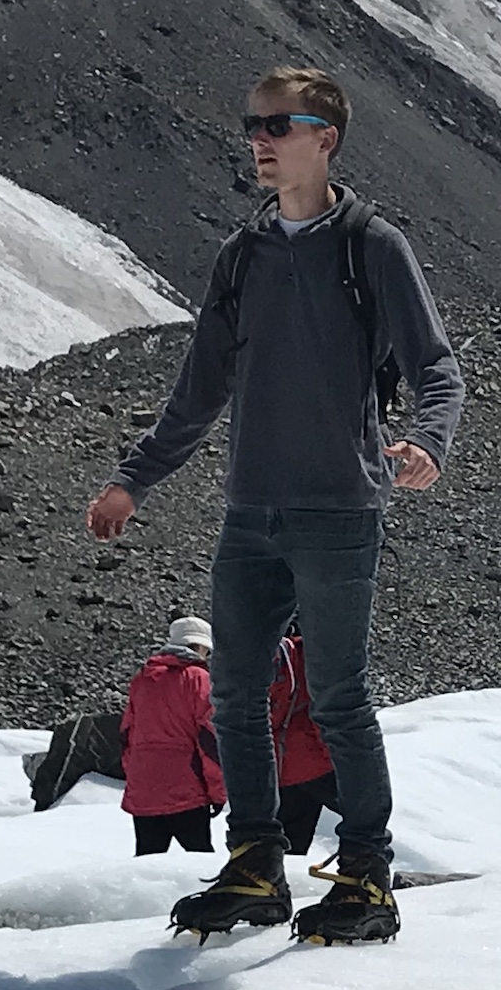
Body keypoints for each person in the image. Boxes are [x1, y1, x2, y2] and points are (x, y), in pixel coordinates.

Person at [87, 65, 464, 942]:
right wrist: (132, 479)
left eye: (277, 125)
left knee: (336, 698)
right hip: (250, 511)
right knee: (235, 695)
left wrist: (428, 446)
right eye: (252, 125)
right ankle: (257, 862)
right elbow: (198, 390)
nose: (259, 139)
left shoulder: (373, 246)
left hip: (341, 509)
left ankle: (367, 875)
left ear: (325, 139)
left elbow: (434, 367)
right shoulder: (242, 257)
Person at [119, 616, 224, 854]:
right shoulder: (200, 680)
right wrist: (218, 792)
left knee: (147, 861)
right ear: (199, 647)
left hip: (144, 788)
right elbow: (209, 739)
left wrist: (136, 775)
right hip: (186, 787)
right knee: (199, 861)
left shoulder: (142, 679)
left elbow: (126, 735)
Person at [268, 628, 341, 856]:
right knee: (365, 819)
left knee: (289, 842)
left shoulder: (272, 660)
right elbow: (325, 711)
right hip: (318, 760)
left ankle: (282, 885)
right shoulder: (316, 657)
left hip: (282, 764)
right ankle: (366, 875)